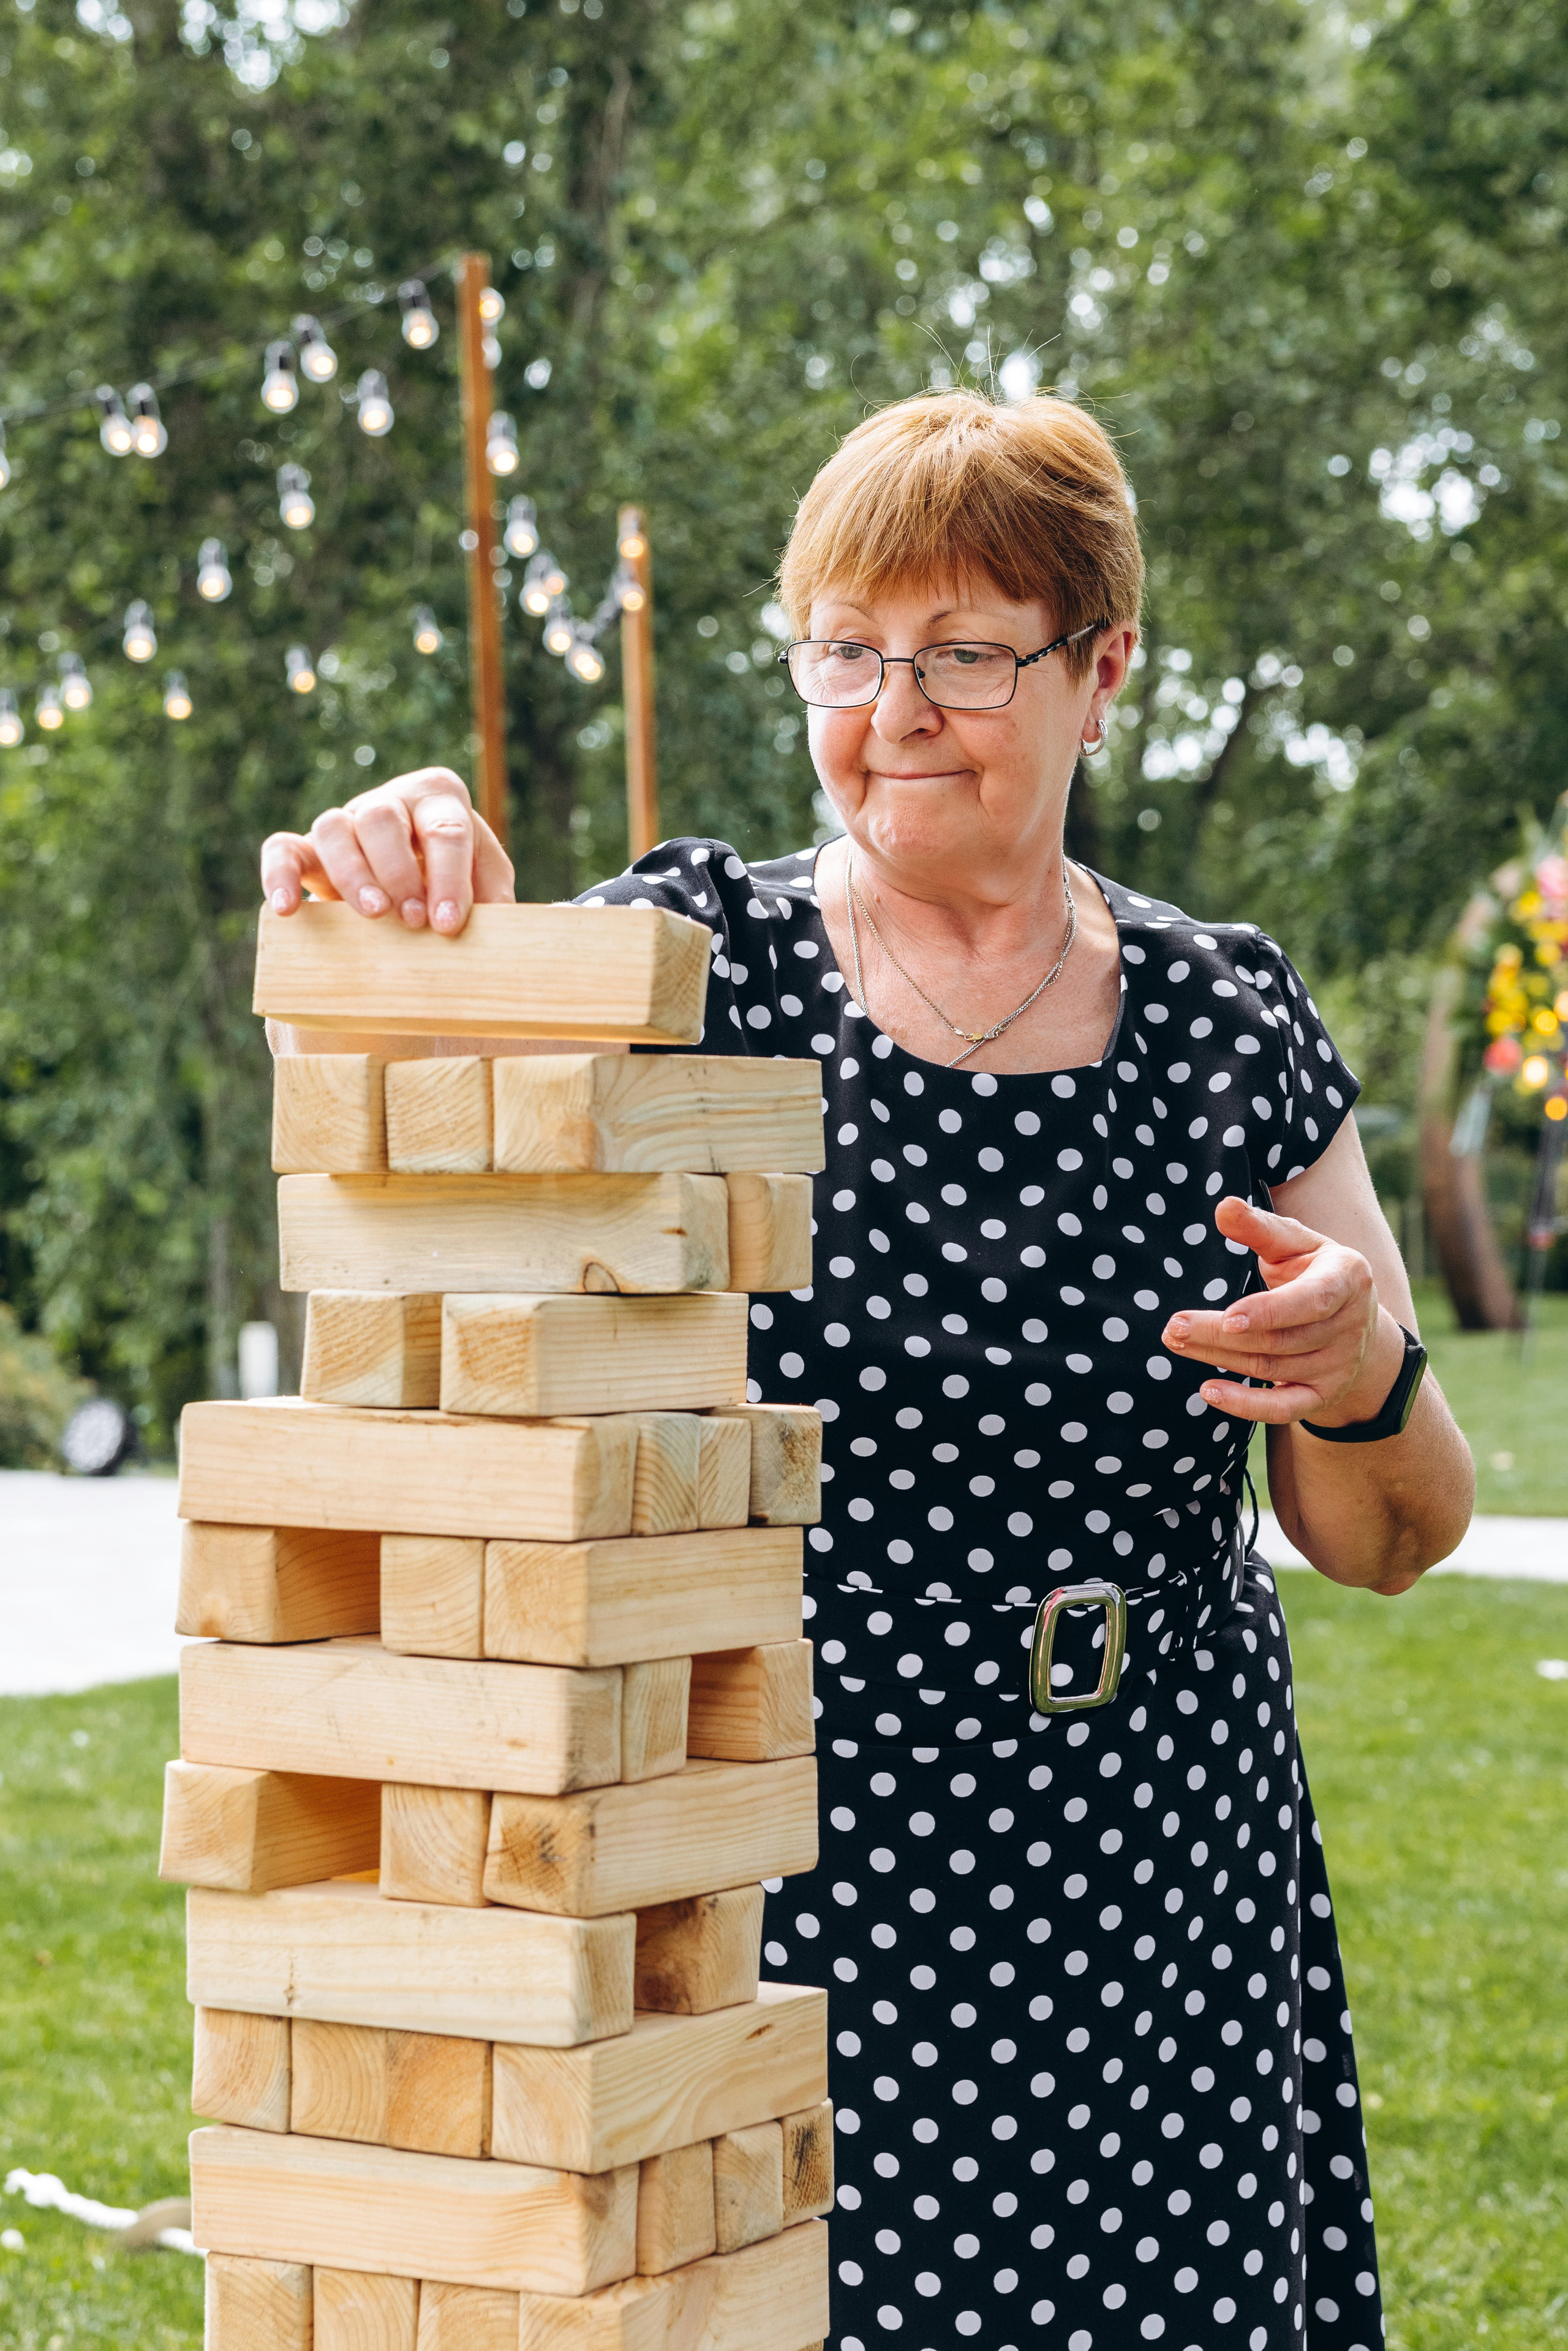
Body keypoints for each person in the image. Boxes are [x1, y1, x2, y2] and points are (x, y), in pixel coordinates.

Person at [262, 388, 1473, 2351]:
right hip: (795, 1870)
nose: (894, 710)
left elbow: (1394, 1537)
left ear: (1103, 672)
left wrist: (1361, 1370)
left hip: (1162, 1862)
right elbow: (400, 1130)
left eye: (965, 654)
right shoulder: (703, 965)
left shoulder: (1227, 1023)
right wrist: (393, 890)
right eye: (847, 649)